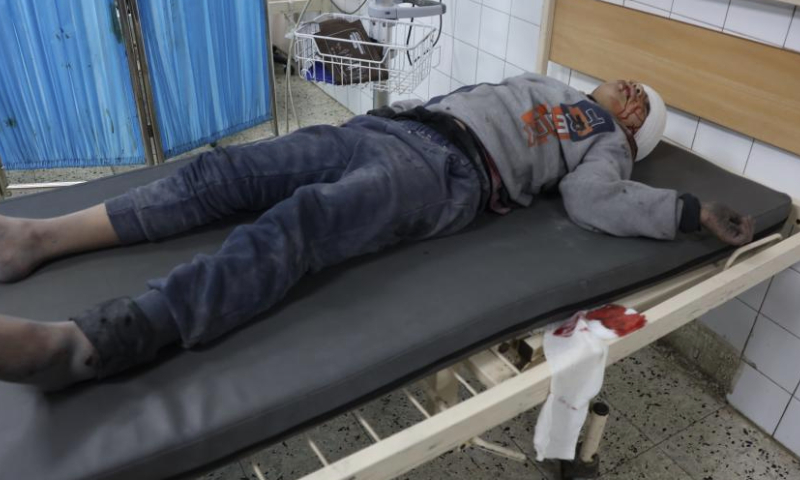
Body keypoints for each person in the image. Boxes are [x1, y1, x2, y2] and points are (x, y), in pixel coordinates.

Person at [0, 73, 754, 391]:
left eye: (638, 99)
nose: (627, 88)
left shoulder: (605, 147)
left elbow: (598, 204)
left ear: (634, 126)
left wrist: (685, 211)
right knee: (223, 174)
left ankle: (91, 345)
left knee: (298, 227)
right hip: (388, 129)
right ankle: (39, 238)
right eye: (628, 81)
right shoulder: (548, 83)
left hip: (450, 176)